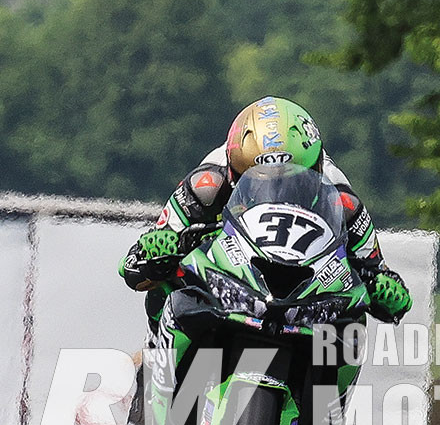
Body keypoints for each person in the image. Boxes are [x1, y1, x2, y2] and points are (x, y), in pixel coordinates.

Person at [117, 96, 411, 326]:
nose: (277, 192)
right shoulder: (206, 185)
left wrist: (383, 288)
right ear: (235, 172)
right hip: (223, 286)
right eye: (257, 180)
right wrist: (158, 249)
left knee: (351, 318)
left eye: (292, 179)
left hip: (303, 301)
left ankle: (323, 399)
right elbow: (134, 264)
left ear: (316, 167)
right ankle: (157, 370)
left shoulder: (342, 201)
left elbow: (375, 270)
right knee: (163, 284)